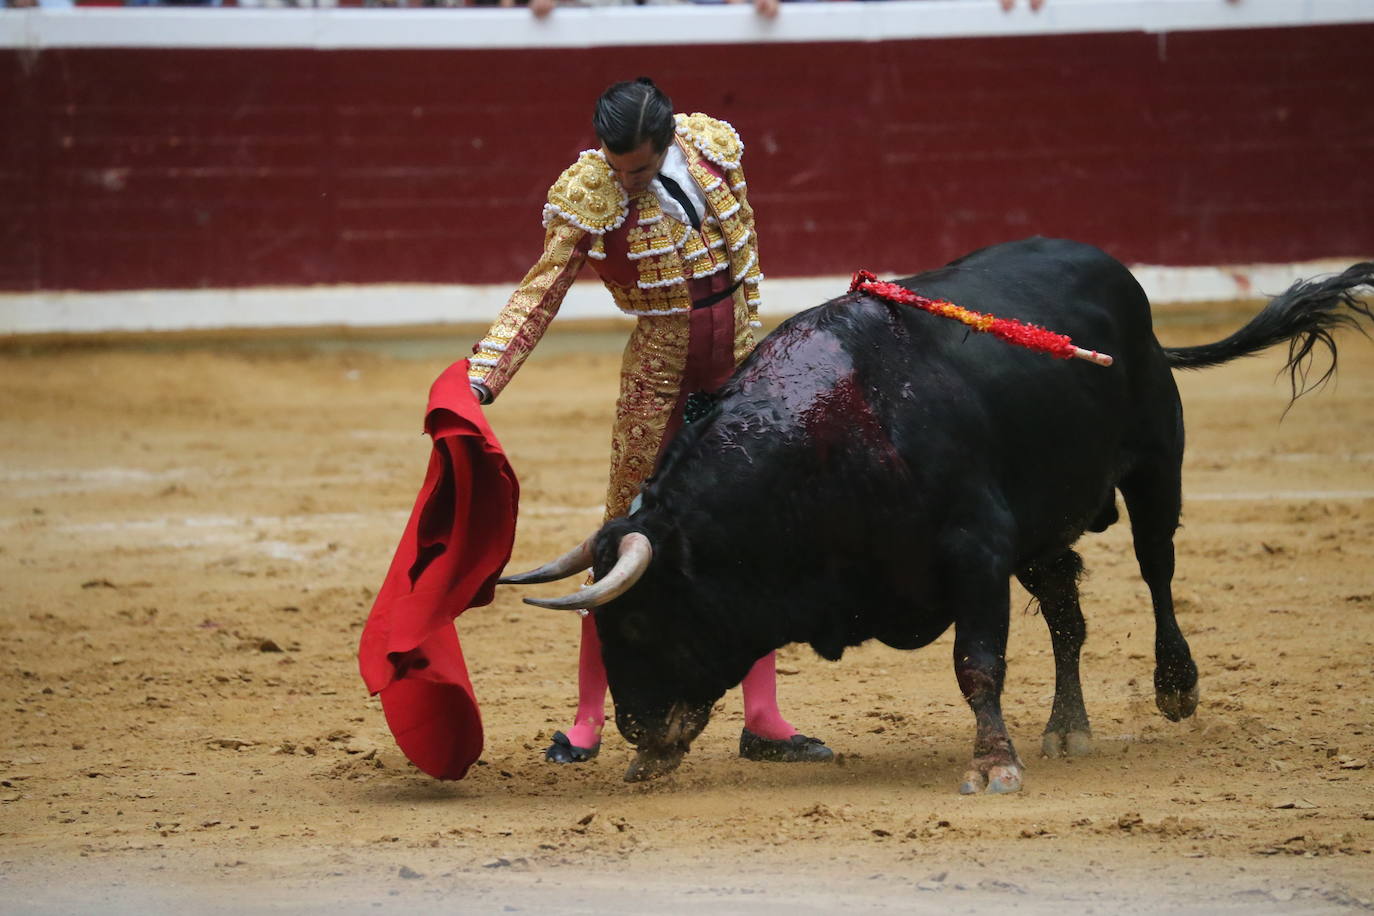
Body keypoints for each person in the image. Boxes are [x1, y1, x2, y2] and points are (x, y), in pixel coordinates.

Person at [468, 78, 832, 767]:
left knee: (754, 535)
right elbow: (539, 292)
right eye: (616, 165)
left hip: (740, 368)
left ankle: (764, 716)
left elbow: (740, 256)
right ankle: (585, 720)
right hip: (659, 377)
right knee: (618, 539)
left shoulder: (711, 149)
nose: (625, 179)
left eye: (637, 168)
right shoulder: (591, 191)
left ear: (664, 147)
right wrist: (483, 377)